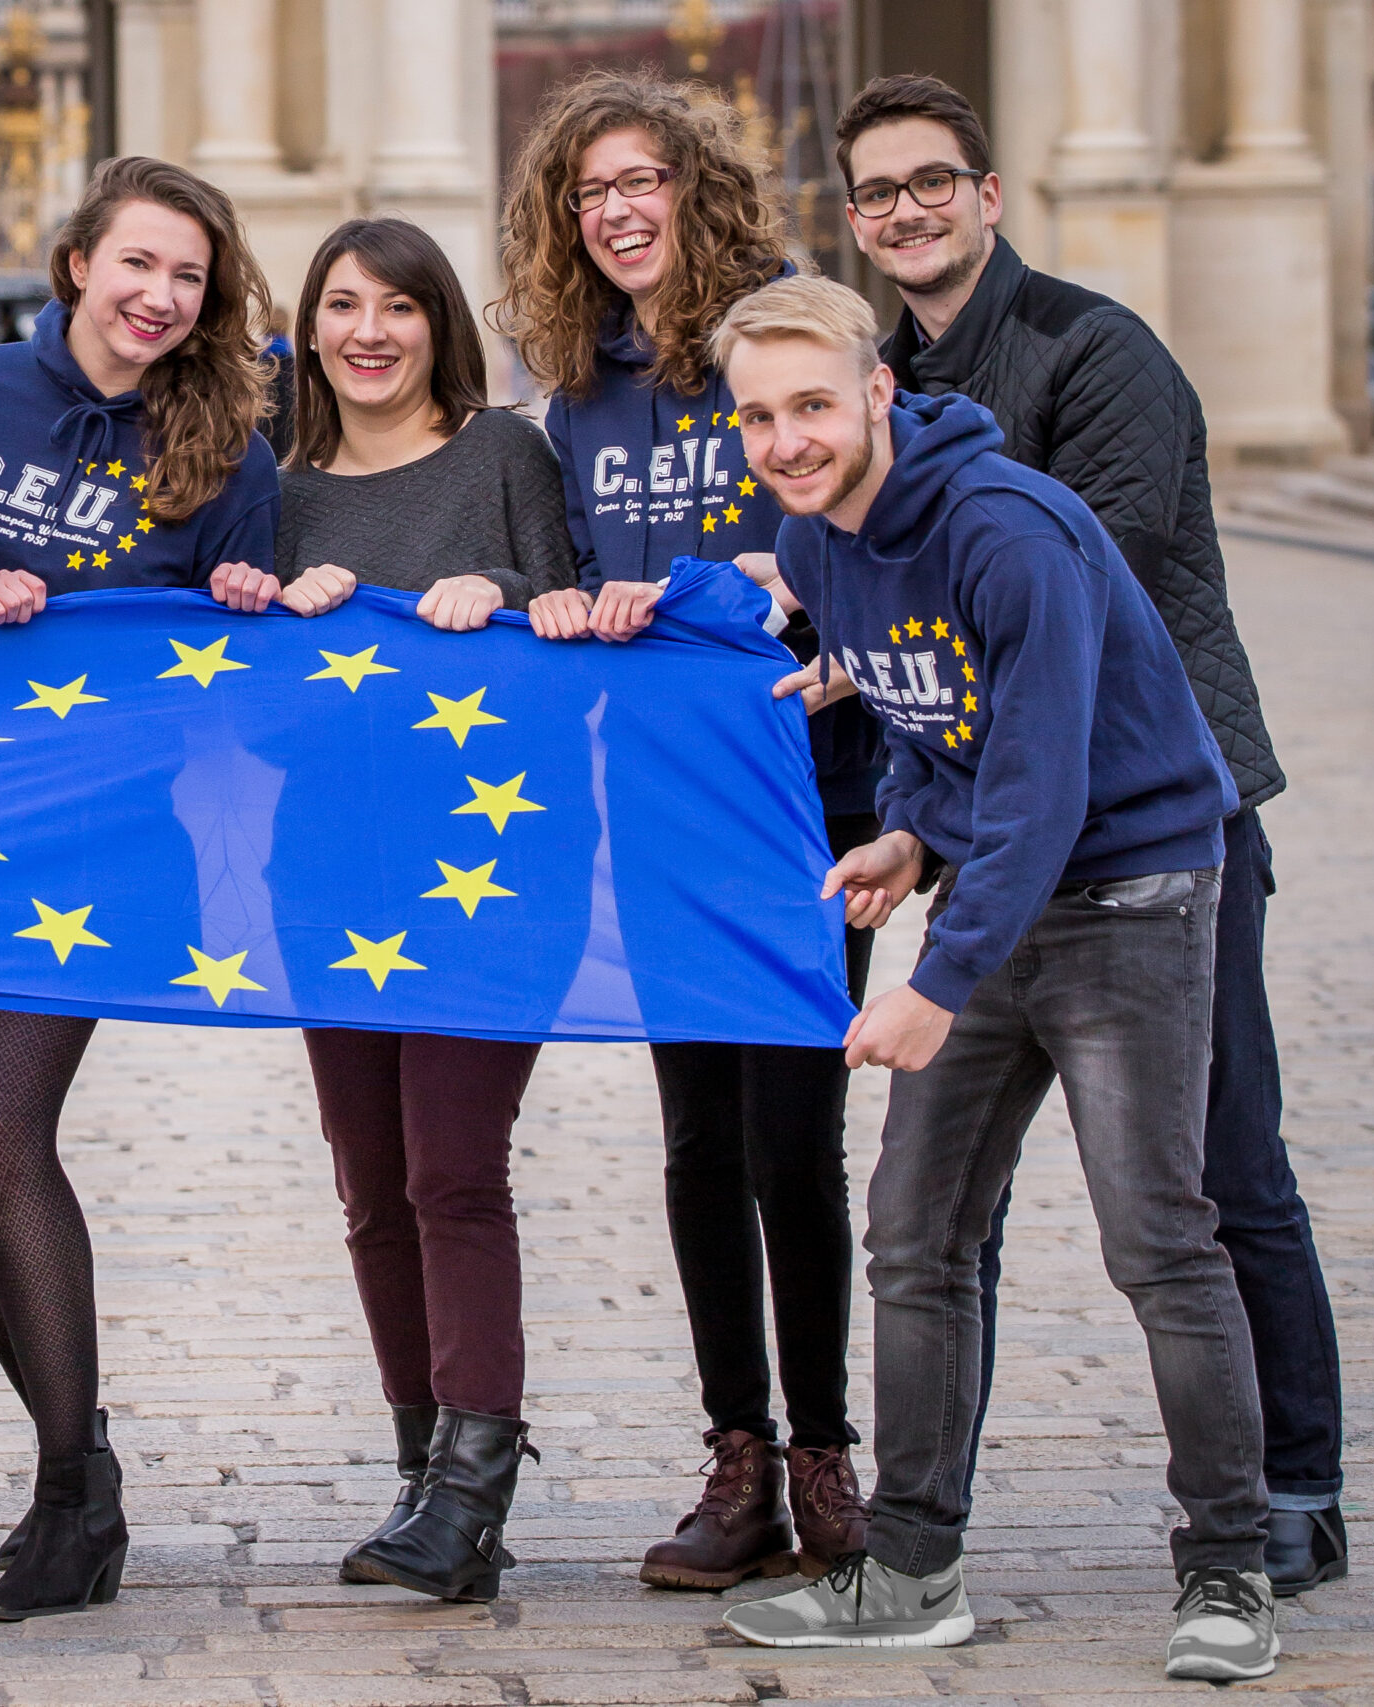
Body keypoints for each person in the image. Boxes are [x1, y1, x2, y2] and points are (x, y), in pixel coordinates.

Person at [710, 273, 1277, 1684]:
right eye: (761, 414)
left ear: (877, 392)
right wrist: (906, 829)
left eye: (814, 405)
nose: (788, 437)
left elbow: (1040, 778)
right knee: (916, 1229)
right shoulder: (817, 537)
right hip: (998, 892)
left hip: (1133, 889)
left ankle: (1230, 1570)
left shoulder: (1006, 529)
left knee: (1157, 1233)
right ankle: (911, 1567)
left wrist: (933, 979)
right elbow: (928, 721)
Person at [833, 73, 1344, 1597]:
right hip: (991, 828)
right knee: (942, 1212)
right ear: (855, 223)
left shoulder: (1098, 349)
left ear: (989, 196)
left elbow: (1080, 595)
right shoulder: (884, 389)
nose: (908, 211)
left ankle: (1299, 1485)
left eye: (934, 182)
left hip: (1164, 820)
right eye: (877, 193)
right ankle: (926, 1525)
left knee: (1220, 1162)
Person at [498, 69, 879, 1588]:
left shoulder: (784, 323)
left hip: (807, 802)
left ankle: (826, 1452)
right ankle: (737, 1456)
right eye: (587, 192)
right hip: (653, 814)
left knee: (796, 1138)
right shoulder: (577, 393)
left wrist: (832, 605)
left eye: (641, 178)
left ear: (694, 183)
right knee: (697, 1141)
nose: (616, 210)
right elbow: (555, 581)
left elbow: (890, 486)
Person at [0, 154, 281, 1621]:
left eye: (190, 276)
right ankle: (86, 1461)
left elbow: (237, 680)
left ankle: (66, 1494)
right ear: (76, 265)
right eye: (140, 265)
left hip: (105, 838)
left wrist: (240, 608)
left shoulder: (230, 442)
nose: (162, 297)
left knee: (3, 1132)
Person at [266, 216, 572, 1602]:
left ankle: (474, 1494)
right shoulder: (277, 487)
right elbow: (248, 713)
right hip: (328, 866)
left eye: (397, 304)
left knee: (454, 1167)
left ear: (438, 319)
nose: (369, 331)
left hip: (487, 871)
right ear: (309, 325)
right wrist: (282, 620)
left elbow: (575, 634)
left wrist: (498, 593)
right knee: (373, 1185)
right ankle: (421, 1467)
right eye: (342, 304)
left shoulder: (508, 455)